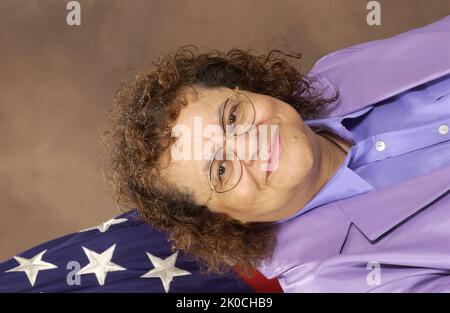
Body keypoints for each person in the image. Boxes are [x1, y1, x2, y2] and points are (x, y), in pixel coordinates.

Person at [101, 14, 450, 292]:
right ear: (222, 221)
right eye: (221, 169)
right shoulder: (338, 280)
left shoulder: (335, 71)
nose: (251, 144)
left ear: (250, 89)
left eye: (232, 117)